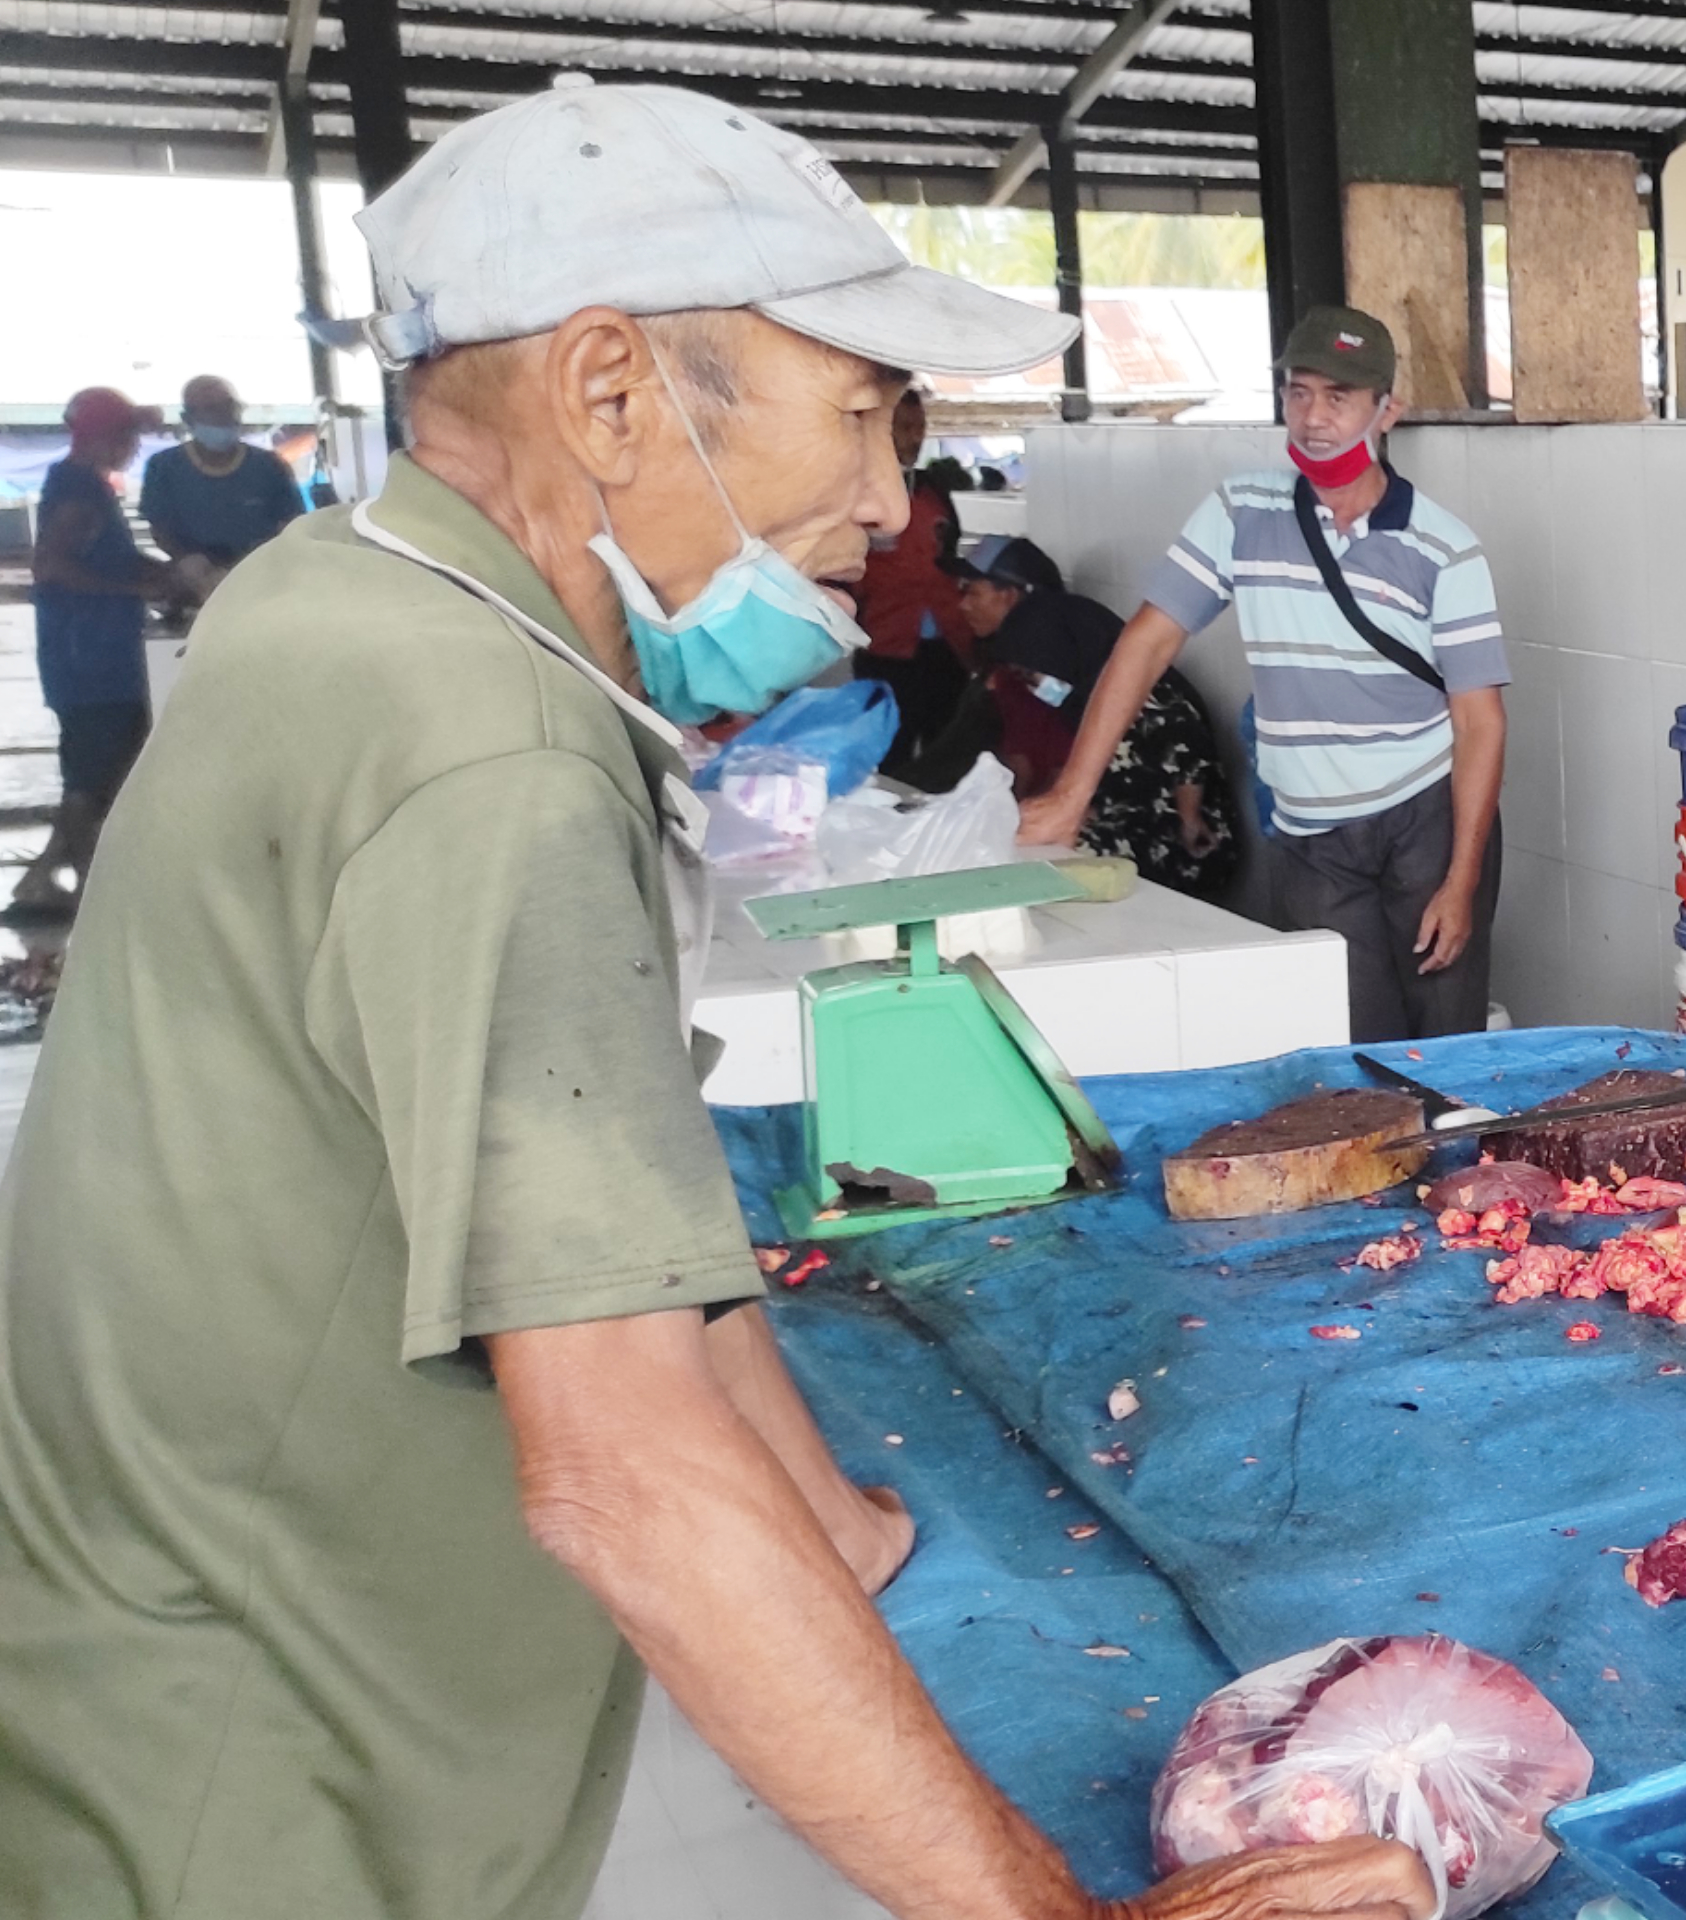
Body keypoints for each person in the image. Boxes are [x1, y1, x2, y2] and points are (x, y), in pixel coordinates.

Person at [0, 84, 1430, 1920]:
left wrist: (835, 1524)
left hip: (155, 1652)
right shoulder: (494, 757)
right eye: (856, 414)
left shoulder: (344, 594)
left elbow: (627, 1180)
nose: (888, 501)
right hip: (250, 1788)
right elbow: (626, 1473)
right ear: (609, 392)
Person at [1015, 307, 1510, 1043]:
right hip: (1311, 837)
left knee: (1446, 1045)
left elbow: (1480, 721)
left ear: (1387, 411)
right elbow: (1146, 643)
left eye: (1339, 397)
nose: (1314, 417)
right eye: (1298, 392)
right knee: (1350, 1049)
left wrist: (1461, 881)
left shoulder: (1445, 548)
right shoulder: (1240, 510)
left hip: (1425, 818)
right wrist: (1070, 796)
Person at [955, 533, 1243, 899]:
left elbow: (1185, 743)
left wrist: (1188, 817)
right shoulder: (1082, 702)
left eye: (1036, 672)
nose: (1036, 684)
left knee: (1054, 858)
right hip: (1125, 819)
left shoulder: (1136, 696)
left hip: (1184, 836)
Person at [18, 386, 164, 912]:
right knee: (95, 778)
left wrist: (167, 574)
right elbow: (52, 566)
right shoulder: (77, 492)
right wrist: (134, 589)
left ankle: (42, 878)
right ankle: (88, 889)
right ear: (103, 436)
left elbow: (114, 559)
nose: (134, 447)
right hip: (90, 660)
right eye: (128, 436)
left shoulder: (89, 487)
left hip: (98, 656)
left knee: (98, 770)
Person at [853, 385, 971, 777]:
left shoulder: (932, 490)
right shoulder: (857, 493)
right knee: (889, 755)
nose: (915, 437)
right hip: (886, 646)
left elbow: (949, 556)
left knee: (948, 757)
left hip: (946, 647)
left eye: (920, 427)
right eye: (904, 427)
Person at [137, 376, 309, 603]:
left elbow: (292, 524)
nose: (223, 415)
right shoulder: (164, 468)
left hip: (264, 580)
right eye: (211, 409)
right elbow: (160, 527)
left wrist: (264, 563)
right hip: (197, 585)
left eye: (230, 407)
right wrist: (188, 561)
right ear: (187, 418)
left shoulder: (268, 466)